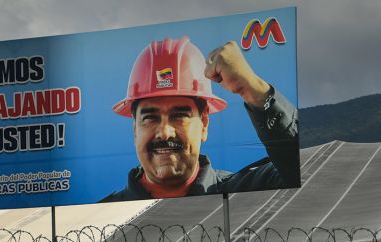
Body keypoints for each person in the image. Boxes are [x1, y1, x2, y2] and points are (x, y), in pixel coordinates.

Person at [101, 36, 299, 202]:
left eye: (179, 116)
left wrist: (253, 88)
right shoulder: (102, 213)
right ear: (135, 130)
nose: (164, 132)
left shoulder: (249, 191)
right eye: (150, 118)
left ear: (204, 124)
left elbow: (309, 172)